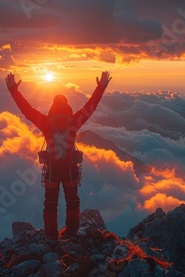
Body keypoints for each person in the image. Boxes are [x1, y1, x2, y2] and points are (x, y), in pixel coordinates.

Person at [6, 71, 112, 240]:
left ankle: (51, 235)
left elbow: (27, 110)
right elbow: (91, 106)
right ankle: (71, 232)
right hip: (70, 170)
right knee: (72, 202)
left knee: (50, 204)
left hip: (52, 171)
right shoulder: (74, 121)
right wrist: (101, 87)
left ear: (53, 108)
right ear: (67, 106)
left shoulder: (46, 123)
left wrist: (13, 91)